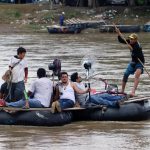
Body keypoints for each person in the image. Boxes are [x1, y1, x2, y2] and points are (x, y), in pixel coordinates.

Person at [115, 29, 145, 97]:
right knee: (125, 74)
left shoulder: (138, 46)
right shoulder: (130, 42)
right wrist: (118, 33)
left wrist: (132, 49)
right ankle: (122, 91)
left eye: (132, 39)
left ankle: (133, 92)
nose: (130, 40)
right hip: (133, 62)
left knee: (137, 76)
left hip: (140, 62)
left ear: (136, 40)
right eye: (130, 38)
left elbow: (136, 55)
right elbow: (121, 40)